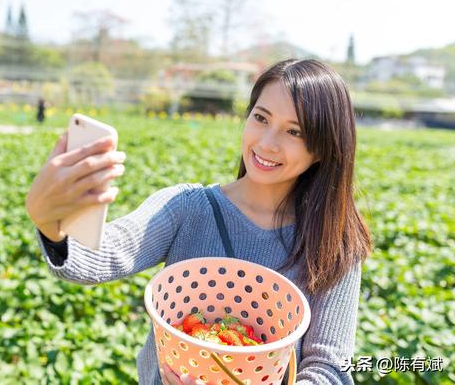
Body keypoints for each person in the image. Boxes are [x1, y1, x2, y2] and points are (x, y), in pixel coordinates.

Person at [26, 59, 372, 385]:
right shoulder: (188, 208)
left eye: (293, 132)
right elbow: (105, 254)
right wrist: (52, 223)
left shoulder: (332, 243)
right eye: (261, 118)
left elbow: (330, 368)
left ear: (324, 147)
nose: (267, 143)